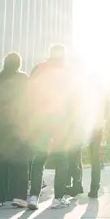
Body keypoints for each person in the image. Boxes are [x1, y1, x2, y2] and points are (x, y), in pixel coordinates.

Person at [31, 45, 78, 208]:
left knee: (39, 157)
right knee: (62, 158)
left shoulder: (39, 69)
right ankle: (58, 198)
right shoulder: (68, 72)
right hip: (61, 120)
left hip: (41, 117)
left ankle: (33, 196)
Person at [0, 52, 32, 208]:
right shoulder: (23, 79)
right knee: (20, 161)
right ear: (19, 64)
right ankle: (19, 196)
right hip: (17, 125)